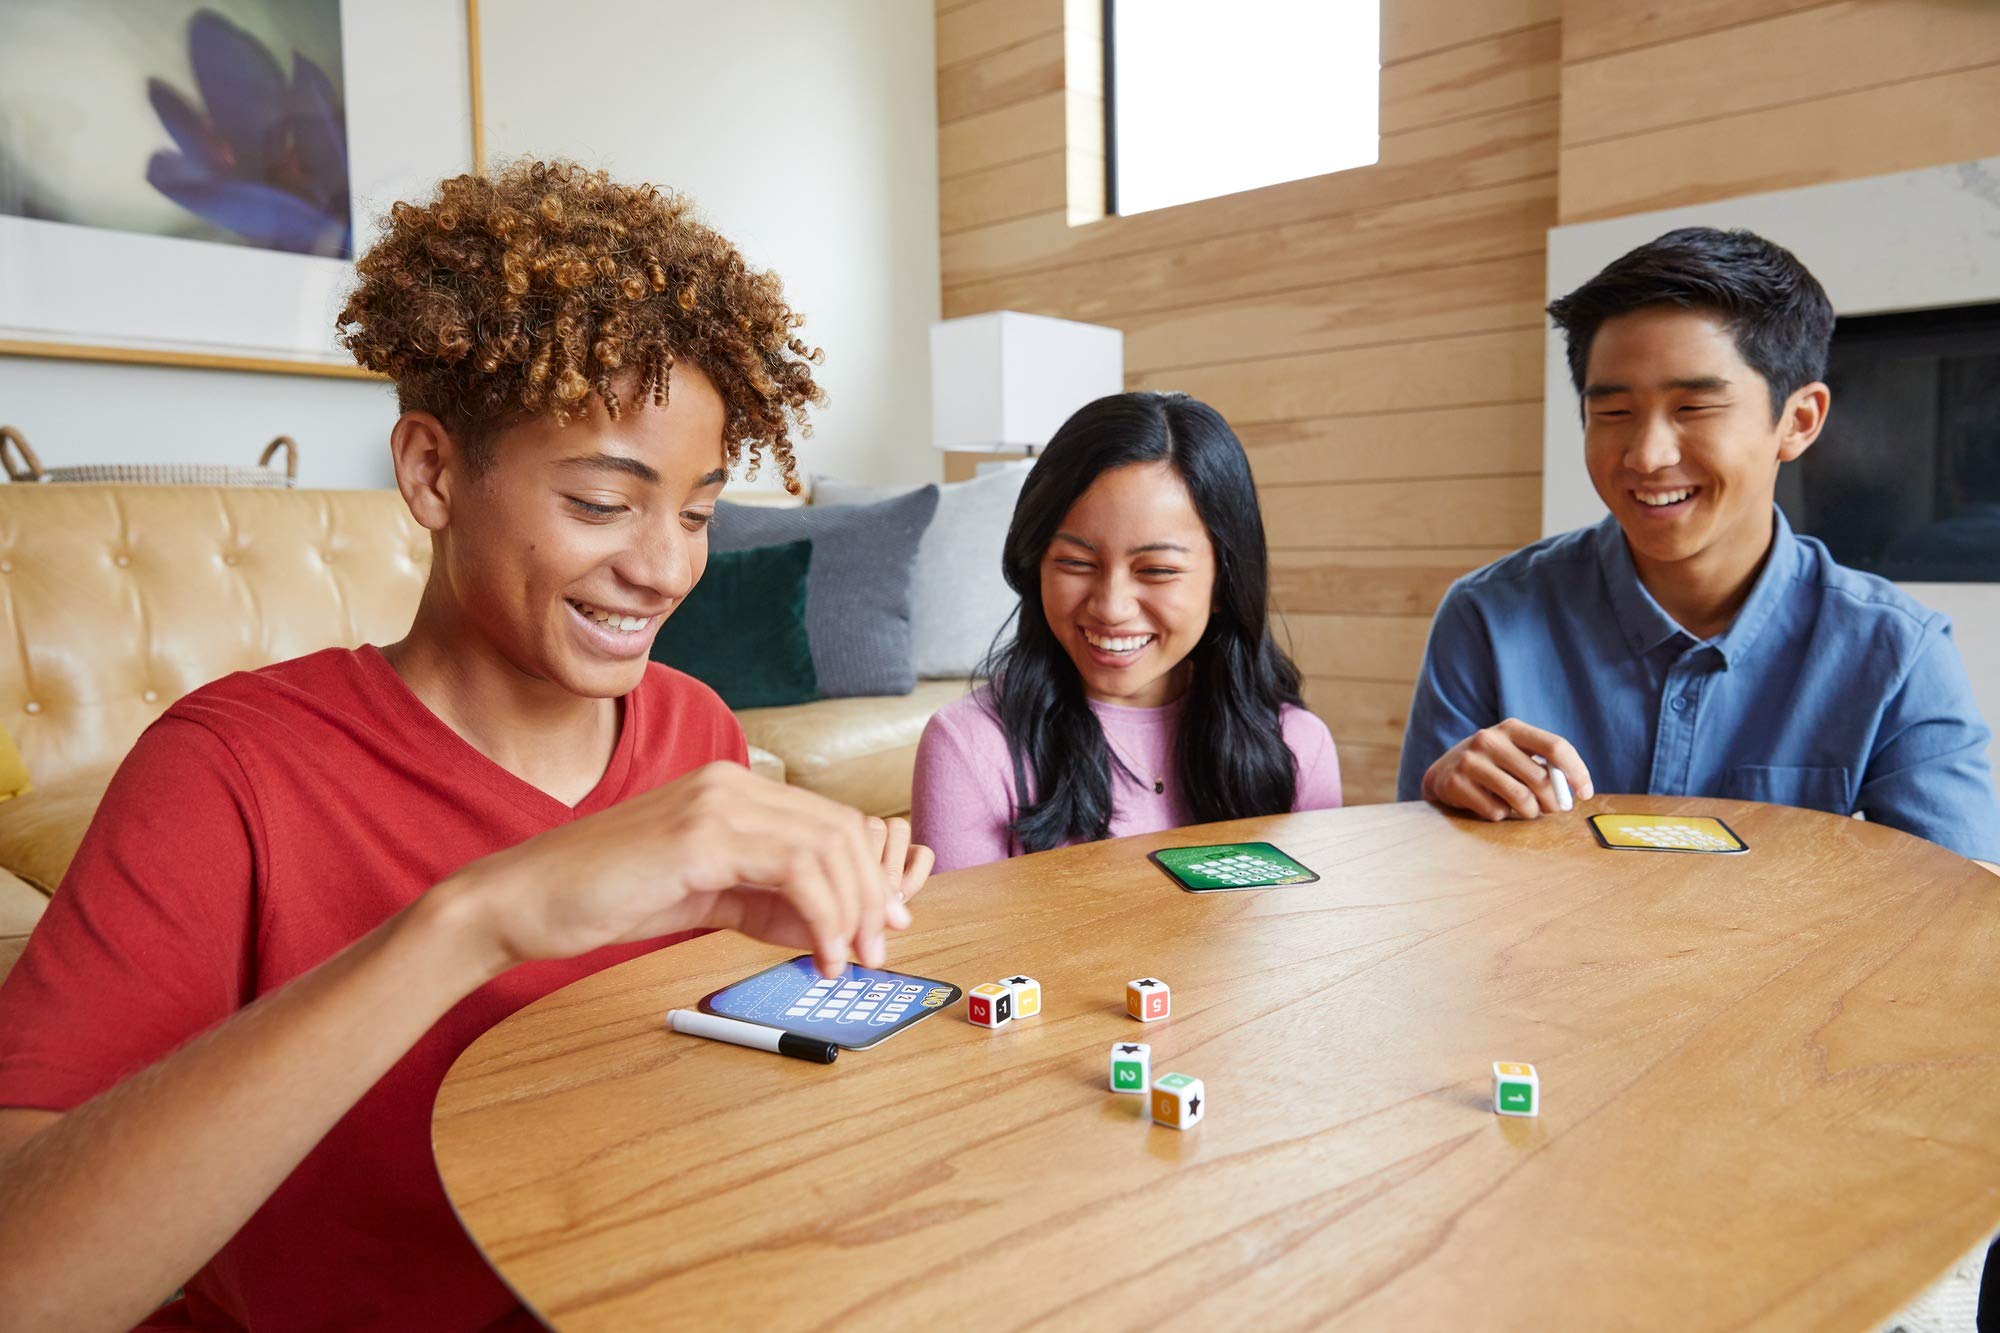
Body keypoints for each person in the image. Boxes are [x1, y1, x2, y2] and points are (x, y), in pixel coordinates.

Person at [0, 160, 934, 1329]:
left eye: (696, 512)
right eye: (602, 502)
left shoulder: (693, 728)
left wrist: (809, 976)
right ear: (432, 471)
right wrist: (469, 921)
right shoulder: (228, 772)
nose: (663, 567)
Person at [1395, 226, 2000, 866]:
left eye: (1694, 408)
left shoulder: (1899, 653)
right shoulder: (1488, 616)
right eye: (1614, 413)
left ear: (1798, 421)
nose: (1648, 456)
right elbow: (1420, 887)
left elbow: (1961, 915)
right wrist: (1438, 807)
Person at [911, 391, 1341, 872]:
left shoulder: (1298, 746)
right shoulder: (970, 746)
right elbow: (969, 947)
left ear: (1224, 581)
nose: (1111, 608)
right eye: (1075, 563)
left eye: (1156, 570)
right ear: (1037, 566)